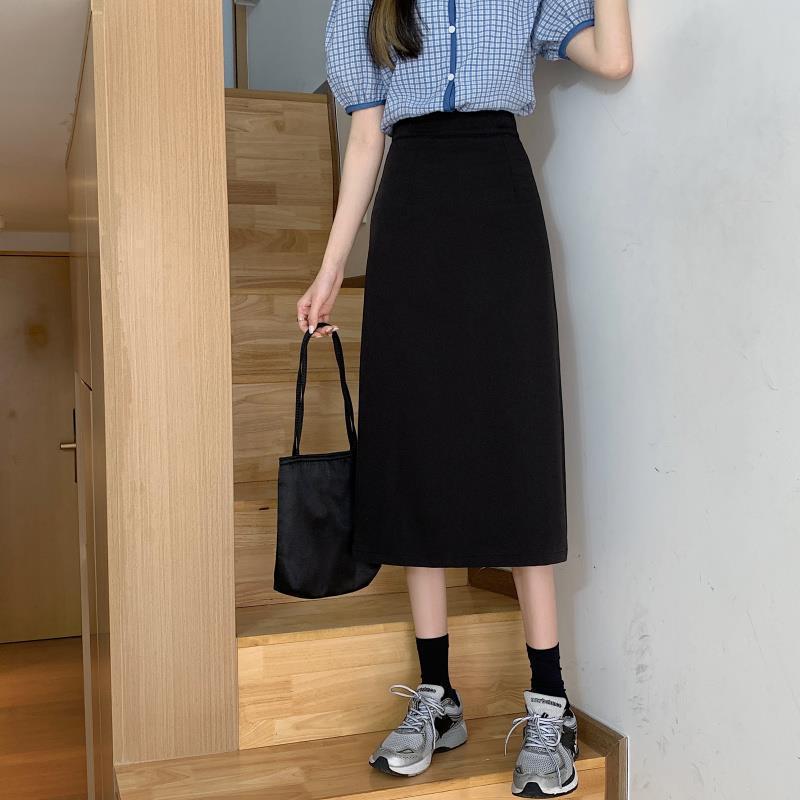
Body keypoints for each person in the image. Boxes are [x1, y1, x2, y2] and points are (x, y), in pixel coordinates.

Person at [297, 0, 632, 796]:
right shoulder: (363, 6)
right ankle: (438, 696)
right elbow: (366, 139)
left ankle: (549, 701)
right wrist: (331, 267)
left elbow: (613, 58)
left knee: (517, 438)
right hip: (410, 215)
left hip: (499, 206)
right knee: (414, 445)